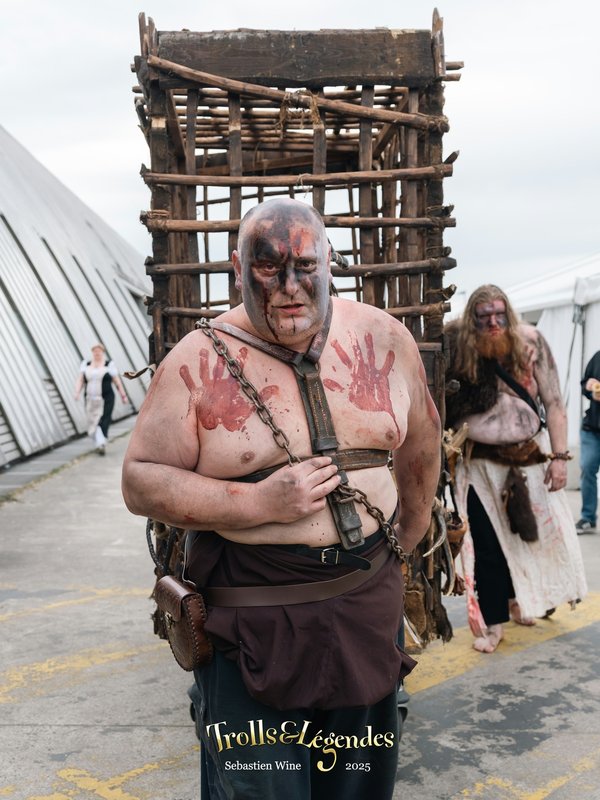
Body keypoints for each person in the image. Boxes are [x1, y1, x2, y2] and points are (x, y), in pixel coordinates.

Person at [122, 198, 441, 799]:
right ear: (237, 272)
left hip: (363, 611)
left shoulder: (384, 338)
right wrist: (258, 504)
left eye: (305, 266)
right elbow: (140, 481)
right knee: (263, 789)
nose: (290, 287)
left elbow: (422, 449)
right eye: (268, 269)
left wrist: (404, 543)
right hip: (247, 623)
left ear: (329, 264)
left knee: (360, 784)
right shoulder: (196, 360)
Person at [445, 284, 587, 654]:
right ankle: (493, 625)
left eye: (498, 314)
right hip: (477, 466)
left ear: (508, 313)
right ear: (471, 318)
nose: (492, 322)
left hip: (528, 459)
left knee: (530, 535)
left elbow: (555, 403)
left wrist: (559, 459)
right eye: (483, 316)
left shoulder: (530, 343)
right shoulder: (459, 347)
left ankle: (519, 598)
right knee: (488, 546)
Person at [74, 343, 128, 455]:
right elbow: (80, 380)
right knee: (92, 420)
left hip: (106, 398)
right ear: (92, 352)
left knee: (103, 419)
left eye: (99, 351)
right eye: (95, 351)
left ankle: (101, 442)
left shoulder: (109, 365)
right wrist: (77, 392)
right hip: (90, 398)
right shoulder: (86, 364)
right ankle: (99, 441)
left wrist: (123, 395)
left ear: (103, 352)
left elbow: (116, 381)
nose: (97, 353)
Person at [577, 351, 600, 533]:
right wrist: (589, 387)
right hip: (592, 427)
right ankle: (588, 518)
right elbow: (584, 383)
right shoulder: (598, 357)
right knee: (587, 468)